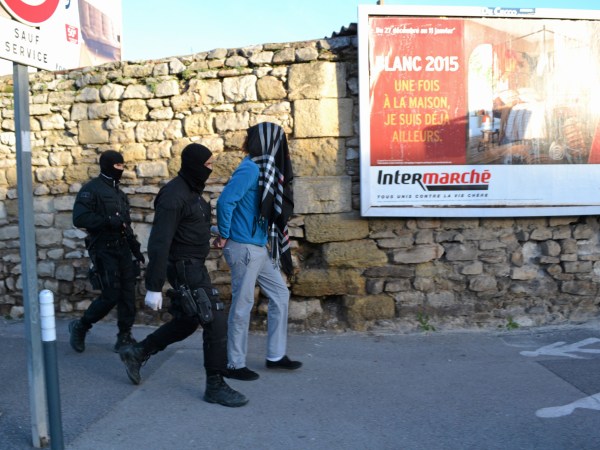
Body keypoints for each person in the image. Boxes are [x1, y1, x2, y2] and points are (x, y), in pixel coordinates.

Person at [118, 143, 247, 408]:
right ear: (194, 165)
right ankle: (215, 385)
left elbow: (189, 227)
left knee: (188, 321)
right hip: (184, 269)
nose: (211, 169)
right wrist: (154, 286)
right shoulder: (173, 195)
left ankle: (137, 352)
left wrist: (211, 235)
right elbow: (160, 241)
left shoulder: (193, 192)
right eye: (208, 164)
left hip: (194, 266)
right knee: (215, 319)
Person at [214, 122, 302, 381]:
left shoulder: (263, 169)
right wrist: (225, 234)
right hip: (243, 247)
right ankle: (234, 363)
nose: (282, 148)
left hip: (258, 247)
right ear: (269, 143)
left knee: (280, 294)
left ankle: (275, 355)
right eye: (279, 142)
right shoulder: (250, 169)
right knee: (242, 305)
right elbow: (225, 201)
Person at [70, 150, 145, 353]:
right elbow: (80, 218)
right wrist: (107, 221)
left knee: (128, 295)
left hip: (123, 249)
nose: (121, 169)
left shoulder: (119, 194)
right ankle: (81, 326)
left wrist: (135, 248)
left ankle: (124, 336)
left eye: (122, 165)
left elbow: (125, 224)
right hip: (104, 249)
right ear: (107, 165)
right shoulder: (91, 189)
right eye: (118, 166)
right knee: (111, 294)